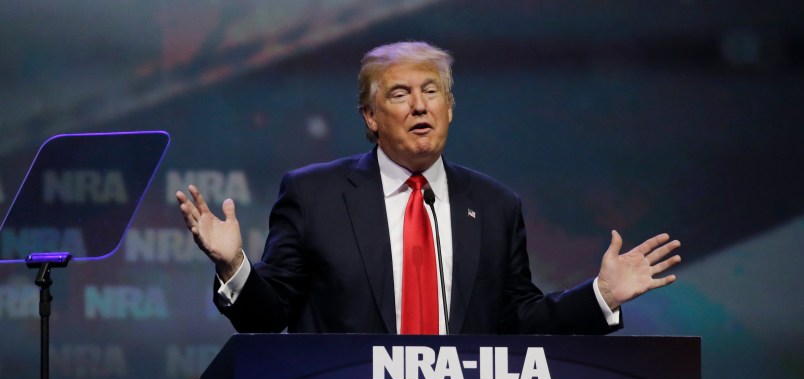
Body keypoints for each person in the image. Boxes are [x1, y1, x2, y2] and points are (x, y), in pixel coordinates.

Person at [176, 41, 680, 335]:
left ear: (450, 108)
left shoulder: (495, 204)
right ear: (371, 118)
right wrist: (232, 266)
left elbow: (521, 321)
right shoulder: (315, 196)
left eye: (431, 92)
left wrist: (601, 296)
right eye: (400, 94)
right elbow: (268, 317)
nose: (420, 106)